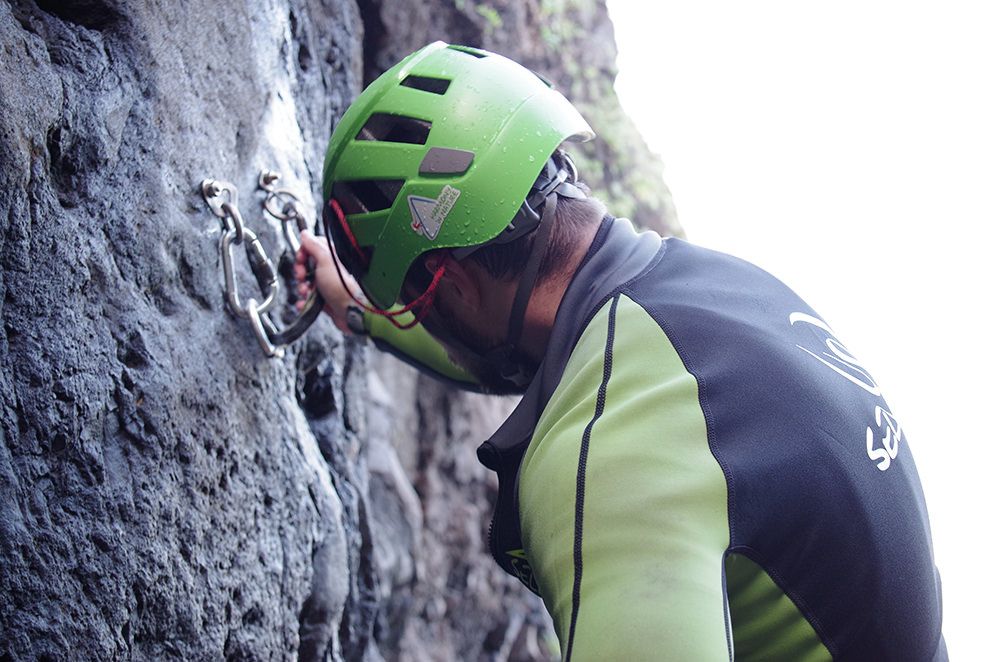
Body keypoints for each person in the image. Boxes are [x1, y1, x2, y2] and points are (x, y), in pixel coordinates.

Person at [295, 41, 947, 661]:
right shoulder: (714, 290)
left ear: (458, 288)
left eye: (420, 305)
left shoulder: (606, 464)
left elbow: (597, 419)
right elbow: (529, 356)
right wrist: (361, 309)